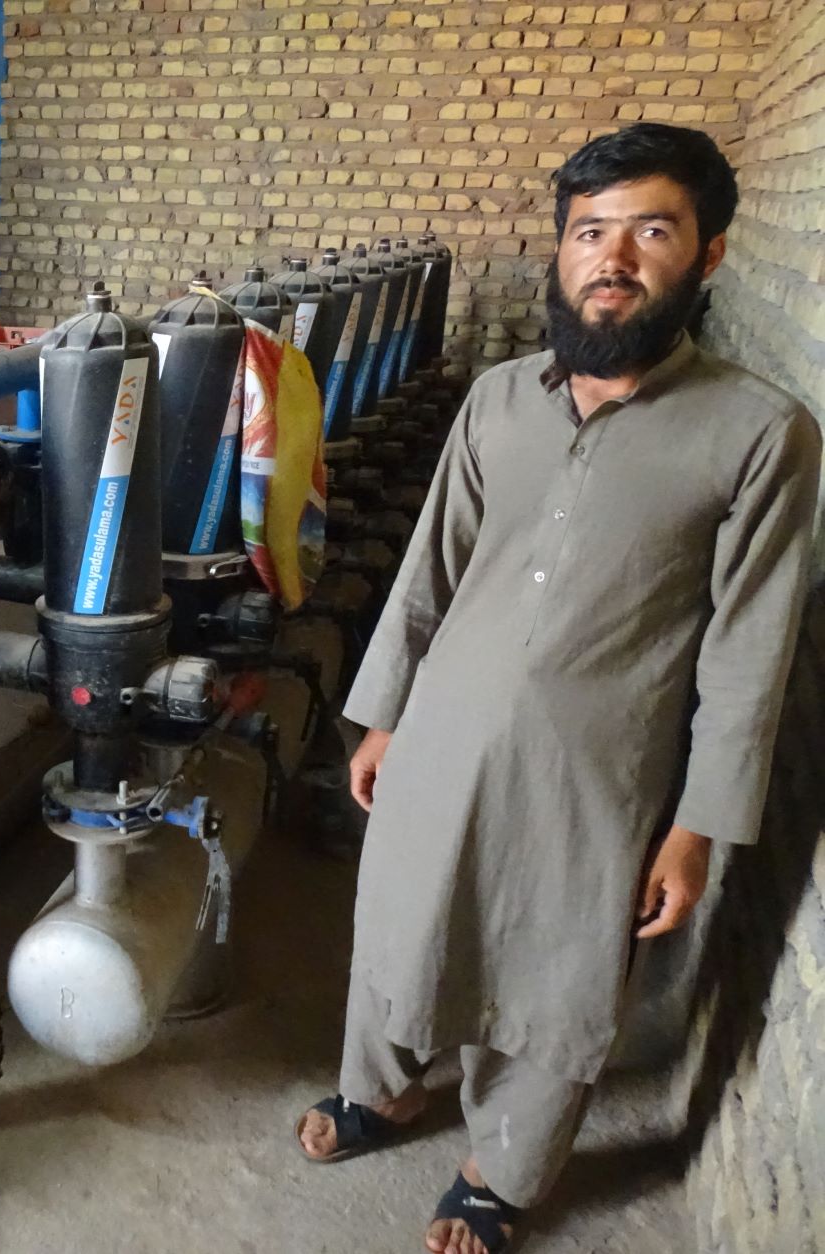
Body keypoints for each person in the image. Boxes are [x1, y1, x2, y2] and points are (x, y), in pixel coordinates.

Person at [294, 123, 821, 1253]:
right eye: (589, 231)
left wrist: (696, 828)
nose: (613, 257)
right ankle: (382, 1092)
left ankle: (501, 1171)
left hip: (603, 770)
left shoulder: (759, 435)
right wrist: (382, 713)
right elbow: (427, 566)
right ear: (560, 251)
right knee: (398, 923)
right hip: (441, 733)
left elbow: (748, 644)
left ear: (708, 255)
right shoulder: (496, 401)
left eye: (650, 230)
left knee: (555, 970)